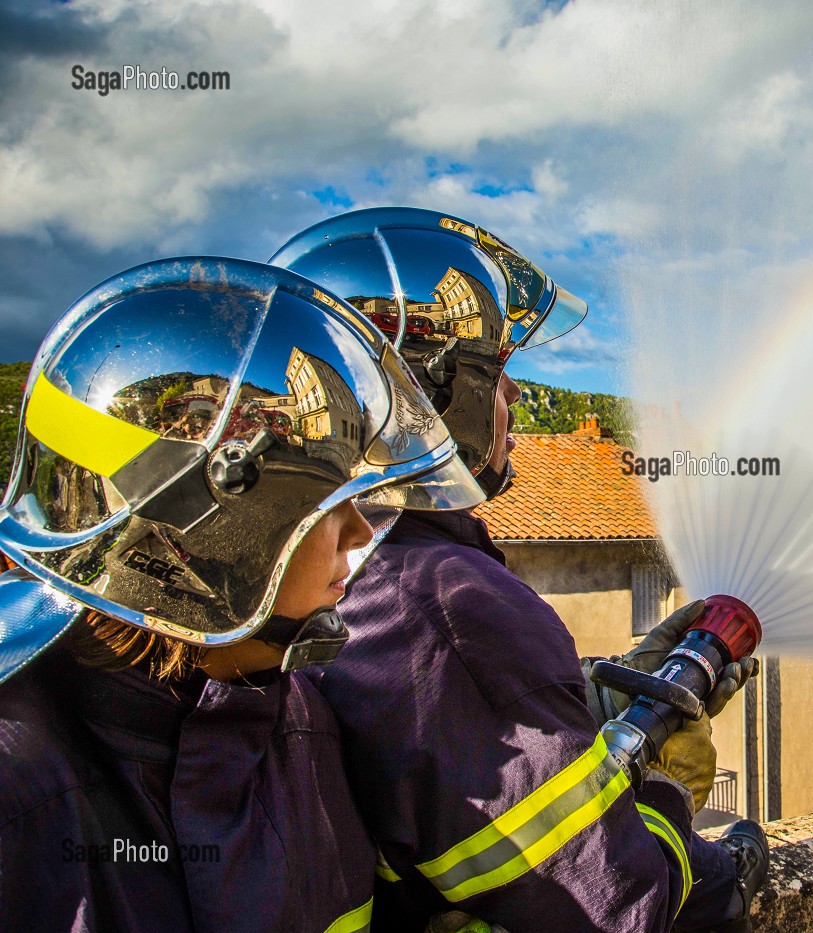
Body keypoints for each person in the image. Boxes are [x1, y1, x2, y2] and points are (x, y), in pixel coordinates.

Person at [272, 208, 768, 932]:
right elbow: (617, 900)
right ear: (437, 393)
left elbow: (436, 752)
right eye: (497, 372)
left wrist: (585, 695)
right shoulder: (442, 602)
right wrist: (673, 803)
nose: (513, 397)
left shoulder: (321, 566)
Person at [0, 257, 487, 931]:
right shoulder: (21, 786)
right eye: (324, 504)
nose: (354, 533)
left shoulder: (295, 717)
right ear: (203, 528)